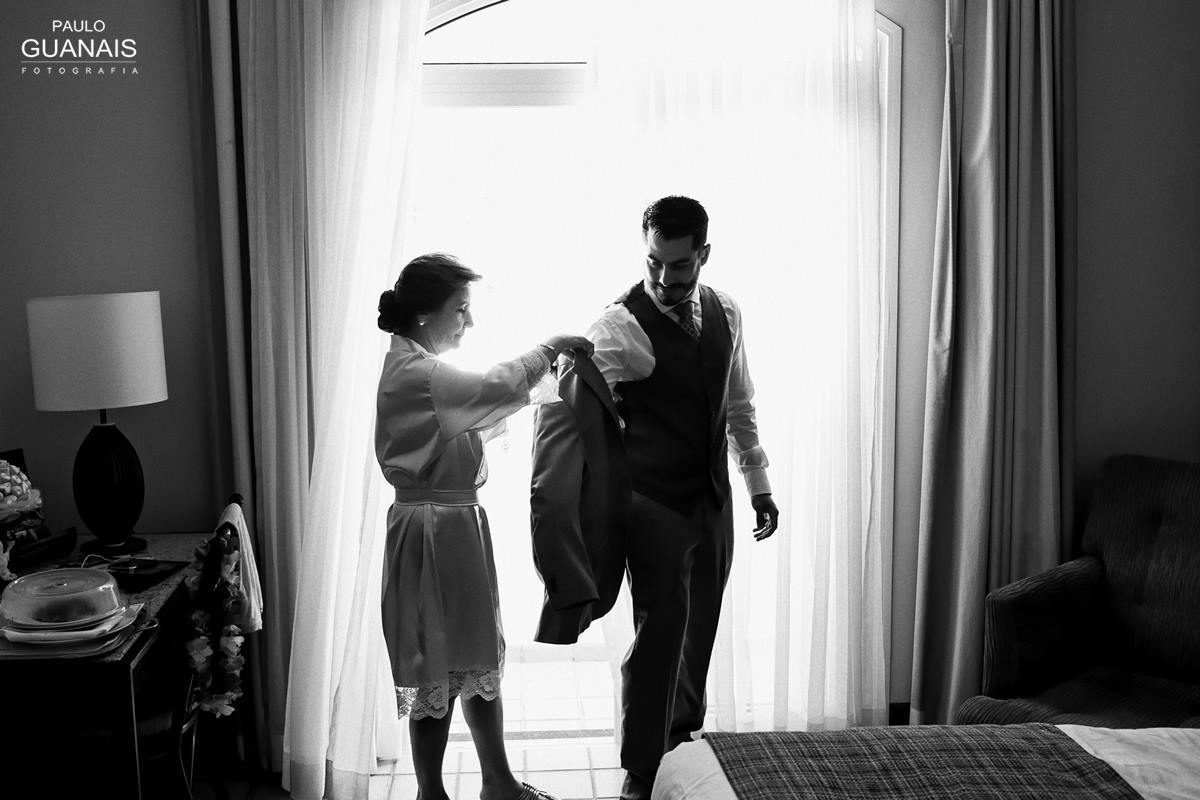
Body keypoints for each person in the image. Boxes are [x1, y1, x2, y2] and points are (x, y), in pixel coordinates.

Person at [375, 253, 592, 800]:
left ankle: (497, 783)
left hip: (453, 526)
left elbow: (489, 400)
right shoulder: (419, 374)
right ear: (424, 314)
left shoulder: (419, 368)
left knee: (476, 658)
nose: (469, 322)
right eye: (461, 309)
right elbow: (496, 387)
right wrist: (549, 347)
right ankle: (433, 793)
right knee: (435, 666)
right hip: (434, 531)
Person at [586, 196, 780, 800]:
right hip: (654, 505)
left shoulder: (728, 310)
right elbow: (572, 415)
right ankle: (641, 769)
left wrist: (758, 485)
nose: (665, 278)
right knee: (659, 638)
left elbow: (739, 403)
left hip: (714, 501)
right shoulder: (617, 326)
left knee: (700, 633)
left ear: (704, 254)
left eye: (679, 264)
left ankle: (680, 745)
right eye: (654, 262)